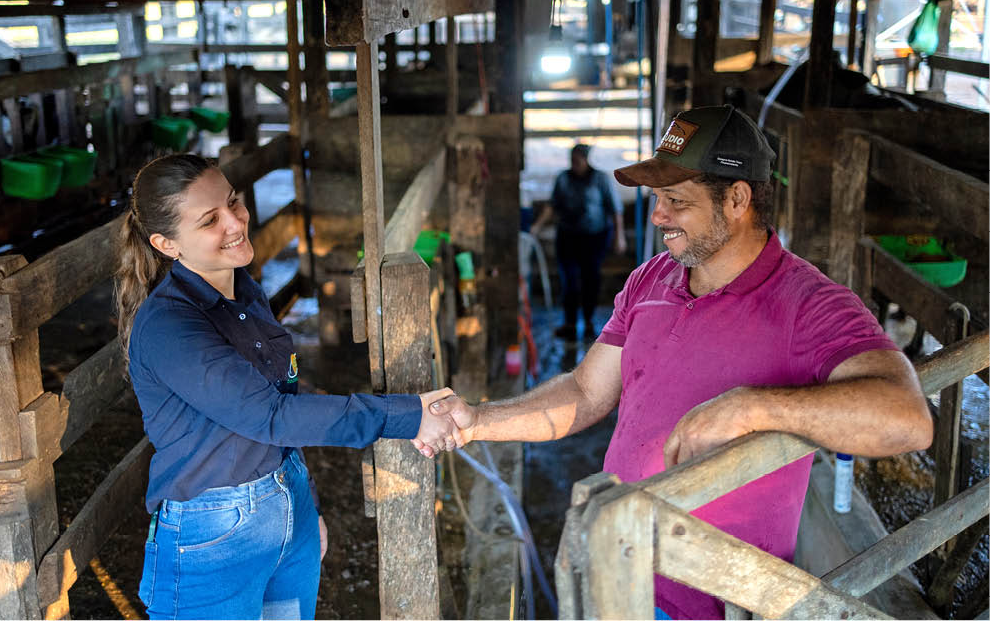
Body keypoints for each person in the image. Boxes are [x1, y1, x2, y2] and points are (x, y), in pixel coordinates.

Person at [425, 106, 934, 619]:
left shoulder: (807, 304)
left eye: (676, 201)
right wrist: (479, 421)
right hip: (612, 570)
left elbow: (906, 420)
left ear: (737, 199)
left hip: (706, 601)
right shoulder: (650, 280)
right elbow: (585, 392)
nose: (657, 216)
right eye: (656, 199)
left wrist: (749, 408)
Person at [116, 154, 461, 620]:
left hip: (285, 502)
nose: (236, 222)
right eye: (210, 220)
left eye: (233, 202)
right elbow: (272, 417)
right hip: (214, 535)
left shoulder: (245, 290)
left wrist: (302, 505)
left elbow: (283, 403)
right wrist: (407, 415)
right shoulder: (169, 326)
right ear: (166, 243)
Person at [532, 143, 626, 340]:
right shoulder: (563, 178)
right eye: (572, 160)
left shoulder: (600, 179)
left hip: (595, 236)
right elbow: (553, 205)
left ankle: (590, 321)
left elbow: (614, 209)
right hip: (568, 235)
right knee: (569, 281)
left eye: (578, 160)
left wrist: (620, 237)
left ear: (586, 160)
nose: (574, 164)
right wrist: (538, 226)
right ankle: (570, 323)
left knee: (590, 279)